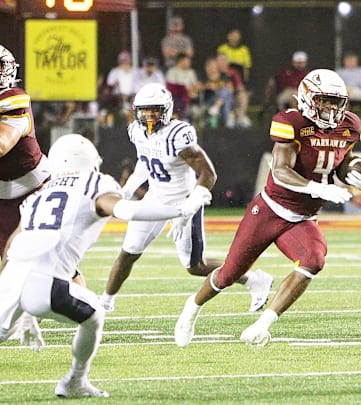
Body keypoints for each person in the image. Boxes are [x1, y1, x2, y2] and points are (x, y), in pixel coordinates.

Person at [0, 133, 211, 398]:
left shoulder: (39, 195)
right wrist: (180, 209)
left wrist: (19, 304)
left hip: (11, 279)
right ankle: (74, 381)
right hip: (44, 282)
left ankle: (73, 379)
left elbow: (11, 245)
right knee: (94, 315)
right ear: (90, 160)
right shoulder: (93, 183)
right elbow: (127, 211)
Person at [174, 69, 361, 348]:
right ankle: (192, 308)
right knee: (230, 272)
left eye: (335, 101)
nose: (330, 108)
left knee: (313, 259)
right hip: (270, 209)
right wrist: (319, 188)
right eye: (324, 100)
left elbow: (343, 160)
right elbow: (280, 171)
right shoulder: (292, 122)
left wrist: (357, 171)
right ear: (307, 98)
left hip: (303, 217)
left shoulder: (349, 125)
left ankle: (263, 324)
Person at [100, 83, 273, 314]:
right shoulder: (136, 131)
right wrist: (129, 187)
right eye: (145, 110)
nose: (150, 115)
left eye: (155, 110)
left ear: (167, 110)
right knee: (129, 250)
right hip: (155, 198)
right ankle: (105, 302)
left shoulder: (177, 135)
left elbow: (209, 174)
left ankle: (253, 279)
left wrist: (191, 206)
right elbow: (145, 158)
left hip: (184, 200)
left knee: (195, 266)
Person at [0, 45, 50, 255]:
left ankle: (74, 290)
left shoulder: (13, 98)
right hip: (2, 194)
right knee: (10, 261)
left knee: (51, 263)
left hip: (32, 190)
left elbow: (1, 146)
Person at [337, 51, 361, 127]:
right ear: (345, 61)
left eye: (353, 60)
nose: (351, 62)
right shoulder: (340, 72)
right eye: (349, 60)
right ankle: (345, 120)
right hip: (346, 92)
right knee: (344, 92)